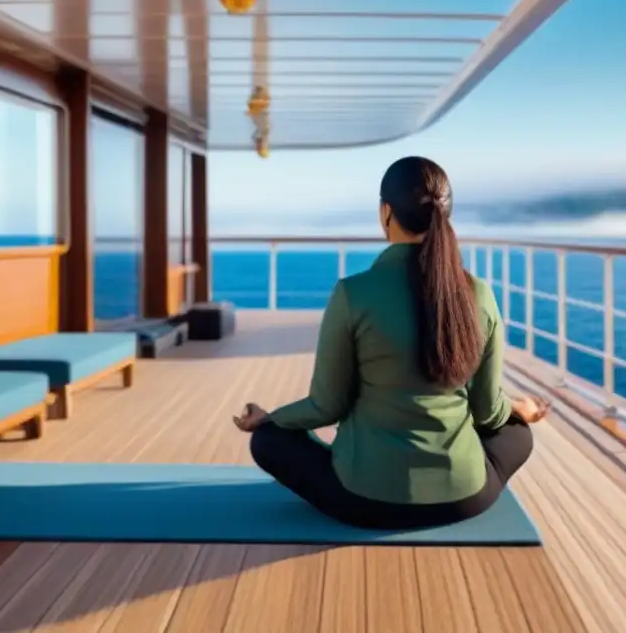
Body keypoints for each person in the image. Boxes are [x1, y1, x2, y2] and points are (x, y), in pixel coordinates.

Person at [233, 156, 549, 530]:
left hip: (363, 499)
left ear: (386, 213)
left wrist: (271, 419)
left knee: (268, 441)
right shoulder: (479, 294)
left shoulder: (353, 293)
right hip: (462, 498)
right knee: (516, 432)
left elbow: (326, 406)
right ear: (445, 214)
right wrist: (519, 408)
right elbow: (486, 411)